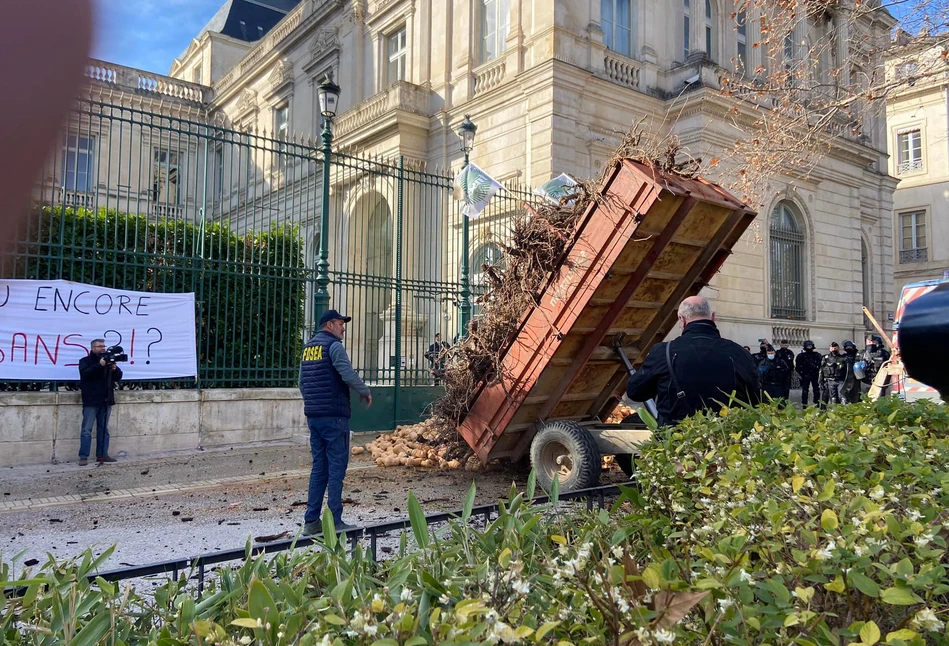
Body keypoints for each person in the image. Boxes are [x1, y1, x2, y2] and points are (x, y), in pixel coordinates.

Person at [626, 296, 760, 426]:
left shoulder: (663, 352)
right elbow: (756, 398)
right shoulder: (739, 352)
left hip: (677, 442)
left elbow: (635, 392)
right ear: (713, 317)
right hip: (728, 441)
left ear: (682, 320)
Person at [298, 310, 372, 535]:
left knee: (319, 468)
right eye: (341, 323)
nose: (343, 328)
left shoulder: (308, 348)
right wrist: (364, 390)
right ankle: (335, 521)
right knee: (337, 468)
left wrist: (313, 404)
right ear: (329, 325)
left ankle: (311, 521)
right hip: (334, 416)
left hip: (314, 416)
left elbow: (302, 383)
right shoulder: (334, 347)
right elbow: (347, 374)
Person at [77, 338, 123, 466]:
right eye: (99, 346)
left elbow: (118, 377)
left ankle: (102, 454)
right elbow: (86, 374)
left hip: (106, 399)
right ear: (92, 348)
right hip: (91, 400)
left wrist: (114, 369)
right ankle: (83, 456)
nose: (103, 348)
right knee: (87, 429)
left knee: (104, 429)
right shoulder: (84, 361)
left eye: (104, 346)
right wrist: (100, 365)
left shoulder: (109, 361)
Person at [818, 342, 846, 409]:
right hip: (830, 380)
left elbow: (847, 371)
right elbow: (821, 370)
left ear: (838, 348)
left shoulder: (843, 358)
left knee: (843, 397)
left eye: (836, 348)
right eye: (832, 348)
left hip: (840, 380)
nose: (834, 349)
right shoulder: (825, 358)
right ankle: (834, 412)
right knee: (833, 399)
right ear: (830, 349)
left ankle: (844, 412)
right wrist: (820, 382)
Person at [795, 340, 822, 406]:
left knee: (816, 390)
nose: (809, 347)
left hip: (815, 375)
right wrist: (802, 374)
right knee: (805, 390)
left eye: (810, 346)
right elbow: (797, 367)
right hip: (805, 375)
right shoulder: (801, 356)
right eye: (808, 346)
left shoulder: (817, 355)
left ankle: (817, 404)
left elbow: (820, 365)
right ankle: (804, 404)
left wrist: (817, 372)